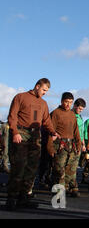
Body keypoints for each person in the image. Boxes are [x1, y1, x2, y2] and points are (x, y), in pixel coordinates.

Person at [6, 78, 57, 210]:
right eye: (44, 90)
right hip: (21, 133)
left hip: (36, 136)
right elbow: (12, 116)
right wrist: (15, 132)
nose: (45, 93)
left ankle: (24, 198)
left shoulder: (44, 104)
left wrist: (53, 132)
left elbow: (46, 121)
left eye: (47, 91)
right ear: (37, 86)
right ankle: (12, 198)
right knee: (19, 166)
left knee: (32, 168)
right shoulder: (20, 97)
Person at [49, 92, 82, 198]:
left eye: (71, 102)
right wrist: (50, 148)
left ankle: (69, 188)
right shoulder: (55, 113)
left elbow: (76, 131)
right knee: (59, 169)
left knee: (71, 169)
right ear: (62, 101)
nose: (68, 104)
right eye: (66, 102)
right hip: (59, 144)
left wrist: (78, 144)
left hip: (71, 144)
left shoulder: (72, 114)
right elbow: (51, 131)